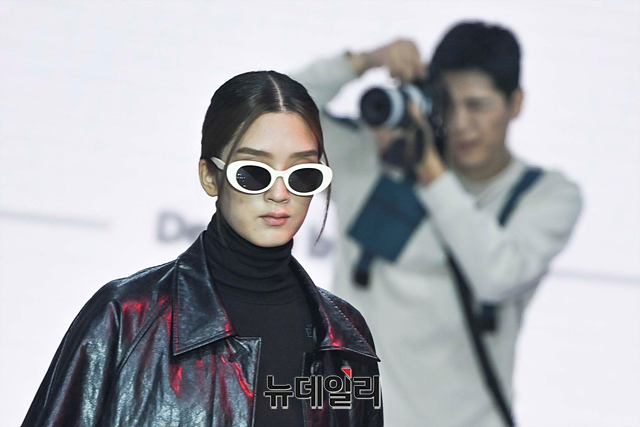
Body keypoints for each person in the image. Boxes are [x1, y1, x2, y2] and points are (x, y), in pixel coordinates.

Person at [21, 71, 382, 427]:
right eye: (254, 172)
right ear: (210, 176)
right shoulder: (125, 317)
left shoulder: (345, 338)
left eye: (302, 174)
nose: (279, 193)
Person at [294, 21, 582, 426]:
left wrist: (427, 166)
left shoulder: (544, 195)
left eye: (477, 105)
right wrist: (364, 61)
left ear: (515, 103)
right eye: (448, 102)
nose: (461, 122)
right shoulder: (370, 160)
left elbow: (498, 275)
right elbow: (269, 113)